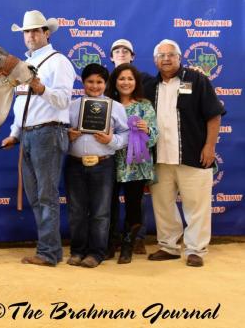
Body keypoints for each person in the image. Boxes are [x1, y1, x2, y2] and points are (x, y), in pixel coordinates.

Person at [1, 10, 76, 267]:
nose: (31, 35)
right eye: (27, 32)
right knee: (37, 196)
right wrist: (14, 134)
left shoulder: (59, 62)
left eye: (36, 31)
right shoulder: (23, 67)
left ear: (47, 33)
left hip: (49, 132)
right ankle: (50, 250)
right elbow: (21, 104)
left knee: (45, 195)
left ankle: (48, 253)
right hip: (29, 135)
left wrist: (41, 88)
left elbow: (64, 100)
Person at [143, 39, 224, 267]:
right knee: (163, 205)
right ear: (155, 61)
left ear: (180, 58)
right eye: (161, 55)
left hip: (193, 156)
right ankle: (168, 246)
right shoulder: (149, 86)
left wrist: (210, 147)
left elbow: (214, 116)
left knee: (197, 205)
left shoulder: (197, 79)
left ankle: (195, 250)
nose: (166, 59)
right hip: (159, 158)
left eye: (171, 55)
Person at [65, 63, 129, 268]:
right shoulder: (71, 106)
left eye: (99, 82)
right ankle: (77, 251)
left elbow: (125, 134)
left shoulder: (115, 107)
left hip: (103, 165)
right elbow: (58, 133)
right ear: (82, 82)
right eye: (90, 82)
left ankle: (96, 253)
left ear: (106, 84)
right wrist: (68, 136)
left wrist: (110, 140)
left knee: (101, 212)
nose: (95, 86)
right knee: (77, 211)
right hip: (75, 165)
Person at [106, 63, 158, 264]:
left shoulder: (144, 106)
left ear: (136, 82)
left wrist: (147, 131)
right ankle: (110, 244)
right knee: (108, 205)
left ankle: (128, 246)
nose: (125, 82)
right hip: (110, 162)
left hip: (137, 165)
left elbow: (155, 137)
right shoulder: (108, 104)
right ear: (115, 82)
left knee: (134, 206)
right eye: (121, 78)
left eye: (130, 79)